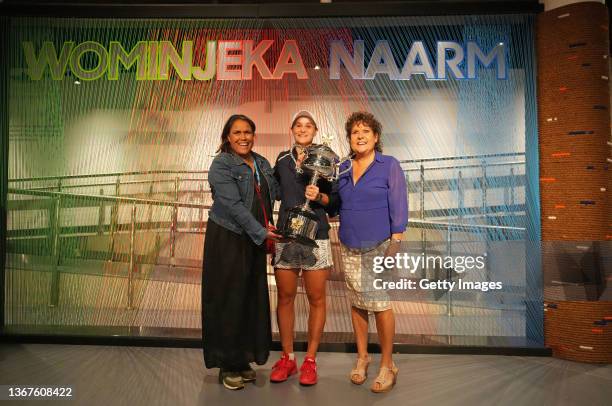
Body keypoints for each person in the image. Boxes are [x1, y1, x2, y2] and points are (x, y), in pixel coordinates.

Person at [202, 114, 281, 390]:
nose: (243, 137)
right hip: (228, 238)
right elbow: (234, 206)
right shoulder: (221, 165)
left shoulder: (261, 162)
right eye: (237, 133)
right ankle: (227, 363)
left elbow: (275, 193)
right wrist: (261, 232)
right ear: (227, 136)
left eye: (248, 132)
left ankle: (244, 358)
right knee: (228, 300)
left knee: (251, 299)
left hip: (254, 238)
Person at [335, 111, 408, 393]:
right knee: (357, 301)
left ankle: (387, 364)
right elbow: (335, 205)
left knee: (380, 303)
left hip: (380, 245)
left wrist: (396, 243)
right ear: (350, 139)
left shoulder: (389, 165)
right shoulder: (341, 167)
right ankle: (363, 358)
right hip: (349, 243)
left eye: (366, 131)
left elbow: (399, 204)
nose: (360, 136)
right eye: (355, 132)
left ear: (376, 137)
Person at [269, 111, 337, 386]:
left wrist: (319, 196)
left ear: (316, 130)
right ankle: (288, 358)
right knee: (285, 296)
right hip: (287, 235)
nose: (303, 129)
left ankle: (310, 360)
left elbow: (336, 203)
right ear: (292, 129)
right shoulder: (282, 160)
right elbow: (272, 192)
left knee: (316, 299)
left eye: (308, 125)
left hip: (316, 234)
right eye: (298, 125)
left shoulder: (328, 159)